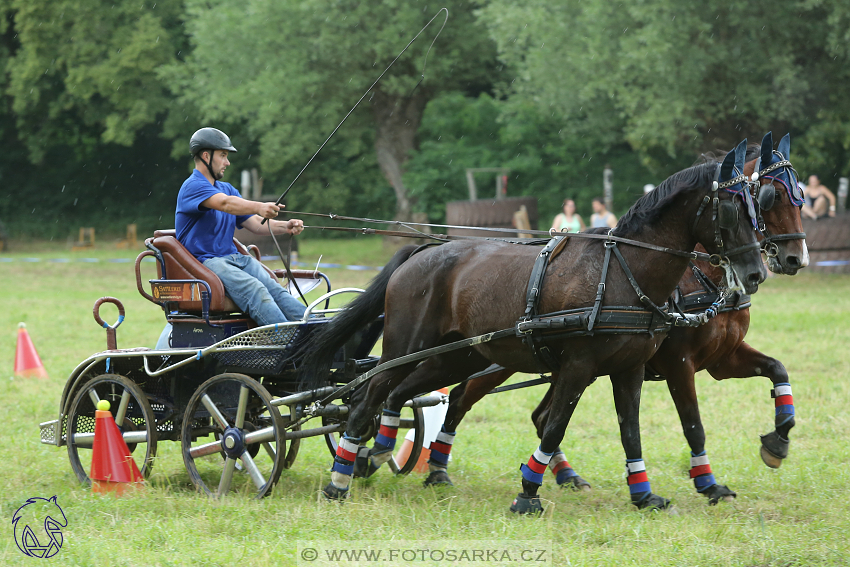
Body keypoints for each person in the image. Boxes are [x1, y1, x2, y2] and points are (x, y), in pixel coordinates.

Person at [176, 127, 307, 326]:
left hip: (234, 258)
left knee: (275, 289)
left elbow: (255, 224)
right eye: (223, 155)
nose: (227, 162)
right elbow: (225, 203)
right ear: (205, 156)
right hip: (205, 262)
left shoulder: (227, 189)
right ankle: (288, 339)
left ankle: (316, 329)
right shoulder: (192, 186)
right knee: (256, 290)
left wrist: (285, 227)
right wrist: (259, 206)